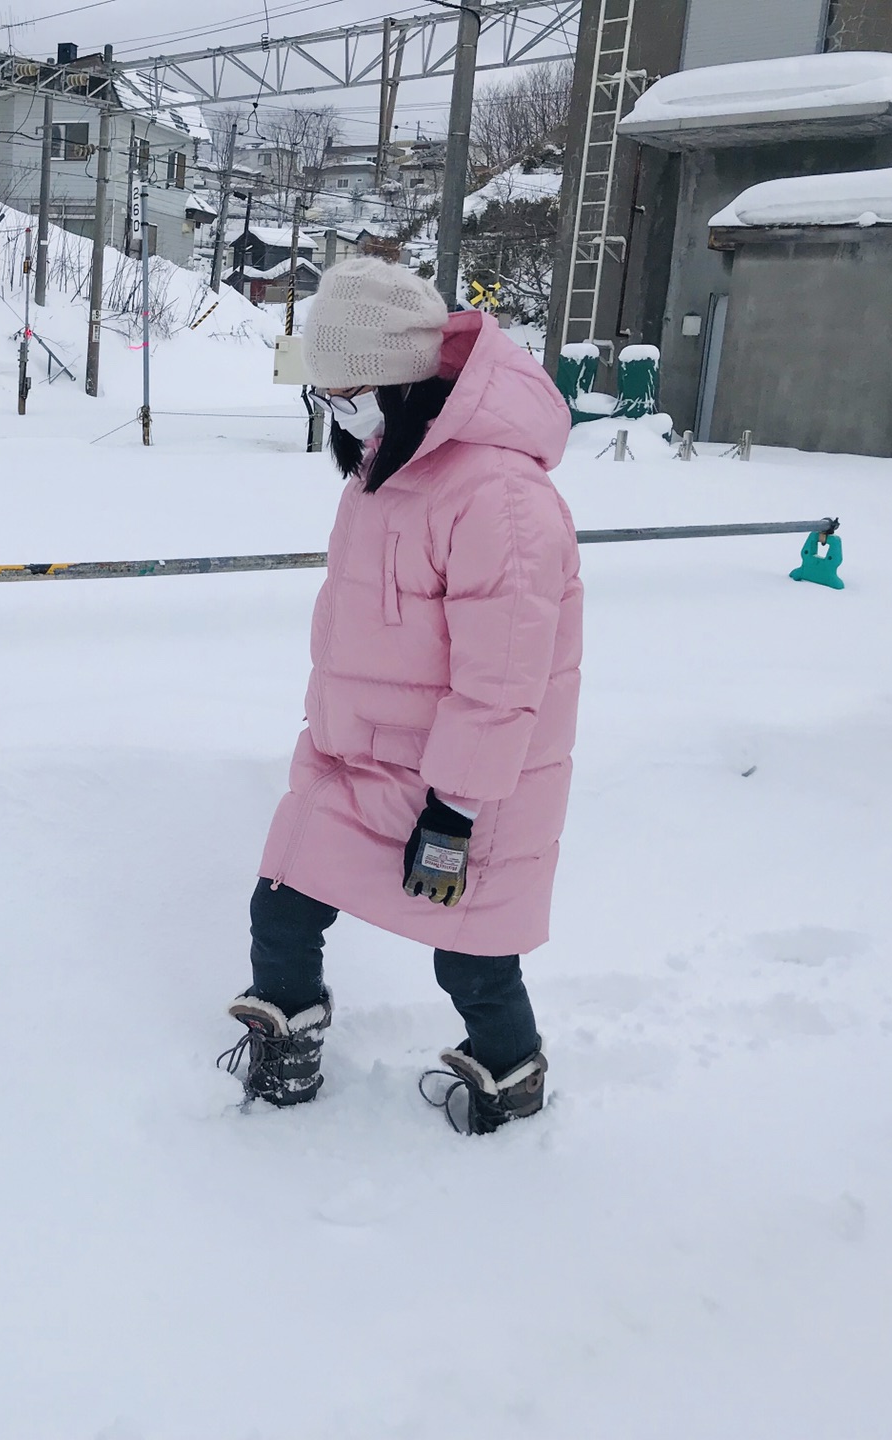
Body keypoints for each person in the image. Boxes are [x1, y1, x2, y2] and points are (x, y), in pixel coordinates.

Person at [219, 257, 581, 1135]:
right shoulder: (387, 468)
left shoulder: (499, 498)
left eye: (346, 394)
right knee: (282, 902)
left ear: (399, 379)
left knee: (473, 961)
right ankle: (286, 1049)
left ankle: (511, 1077)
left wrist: (453, 813)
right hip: (360, 760)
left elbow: (502, 680)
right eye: (326, 396)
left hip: (464, 787)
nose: (335, 414)